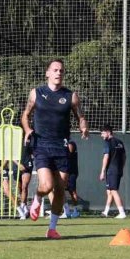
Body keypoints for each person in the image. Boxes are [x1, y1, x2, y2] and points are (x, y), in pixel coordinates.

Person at [20, 58, 89, 240]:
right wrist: (28, 130)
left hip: (62, 146)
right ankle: (37, 197)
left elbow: (80, 116)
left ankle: (52, 228)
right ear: (48, 73)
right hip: (41, 144)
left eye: (61, 71)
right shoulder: (36, 93)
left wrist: (83, 126)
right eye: (55, 70)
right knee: (47, 185)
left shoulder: (70, 96)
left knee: (60, 189)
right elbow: (25, 114)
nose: (59, 73)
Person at [99, 124, 127, 218]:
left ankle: (122, 212)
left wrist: (102, 171)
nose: (101, 135)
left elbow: (106, 157)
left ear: (108, 132)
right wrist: (121, 168)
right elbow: (124, 157)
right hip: (118, 170)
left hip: (111, 170)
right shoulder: (120, 142)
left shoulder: (108, 142)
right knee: (109, 191)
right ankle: (106, 212)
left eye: (102, 133)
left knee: (113, 191)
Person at [64, 139, 81, 217]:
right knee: (60, 191)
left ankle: (75, 211)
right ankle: (66, 211)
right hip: (65, 172)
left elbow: (69, 152)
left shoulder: (71, 143)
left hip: (72, 173)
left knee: (72, 191)